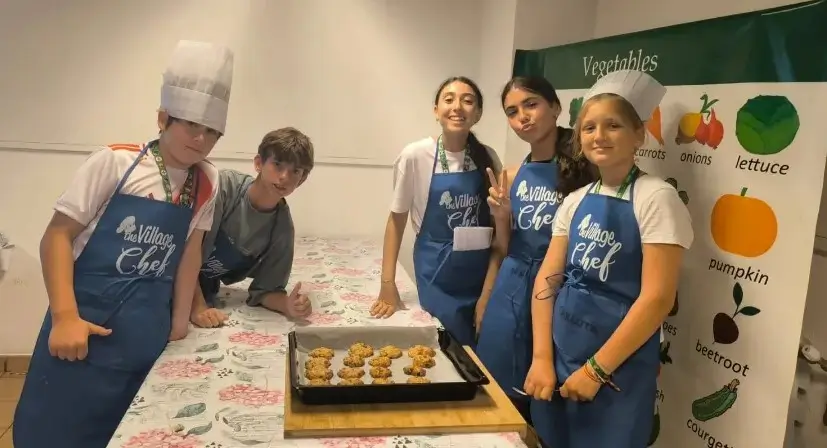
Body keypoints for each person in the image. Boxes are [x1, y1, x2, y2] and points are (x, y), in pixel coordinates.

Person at [13, 40, 233, 448]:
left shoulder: (208, 181)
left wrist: (181, 322)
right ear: (163, 117)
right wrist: (64, 317)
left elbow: (190, 254)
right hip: (82, 331)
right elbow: (56, 237)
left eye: (212, 132)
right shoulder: (114, 162)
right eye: (190, 125)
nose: (200, 140)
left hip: (144, 337)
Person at [523, 70, 693, 448]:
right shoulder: (574, 200)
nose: (598, 136)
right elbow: (548, 279)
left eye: (612, 125)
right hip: (561, 356)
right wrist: (541, 357)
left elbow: (657, 299)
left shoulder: (656, 198)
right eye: (589, 128)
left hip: (619, 369)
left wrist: (596, 371)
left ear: (639, 135)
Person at [475, 76, 594, 424]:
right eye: (512, 112)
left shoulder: (588, 173)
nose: (522, 117)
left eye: (531, 104)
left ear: (555, 107)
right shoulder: (511, 175)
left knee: (545, 398)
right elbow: (502, 246)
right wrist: (486, 295)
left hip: (558, 293)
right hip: (509, 287)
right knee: (495, 390)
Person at [370, 76, 502, 348]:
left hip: (479, 268)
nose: (458, 107)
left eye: (468, 101)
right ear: (436, 110)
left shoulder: (487, 157)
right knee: (440, 343)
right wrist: (387, 282)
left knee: (478, 343)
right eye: (449, 99)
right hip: (437, 268)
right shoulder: (415, 155)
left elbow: (499, 223)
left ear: (477, 114)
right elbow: (396, 220)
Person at [191, 127, 314, 327]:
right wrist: (197, 307)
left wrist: (288, 305)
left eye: (295, 171)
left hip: (205, 286)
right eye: (277, 164)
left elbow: (267, 291)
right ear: (258, 163)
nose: (285, 176)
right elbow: (185, 250)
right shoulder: (224, 188)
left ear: (302, 178)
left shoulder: (281, 228)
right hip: (167, 272)